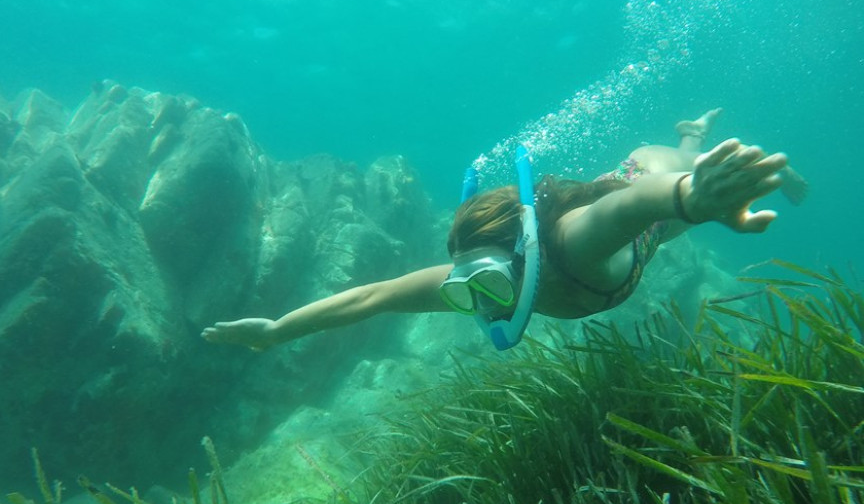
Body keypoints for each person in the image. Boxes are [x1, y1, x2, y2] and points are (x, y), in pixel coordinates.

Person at [202, 109, 806, 352]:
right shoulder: (475, 276)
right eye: (466, 288)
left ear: (524, 255)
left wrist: (692, 198)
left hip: (645, 177)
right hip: (641, 219)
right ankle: (693, 132)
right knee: (676, 199)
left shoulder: (573, 242)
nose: (482, 305)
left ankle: (701, 142)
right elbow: (370, 297)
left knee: (684, 165)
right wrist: (279, 330)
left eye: (486, 282)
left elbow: (626, 207)